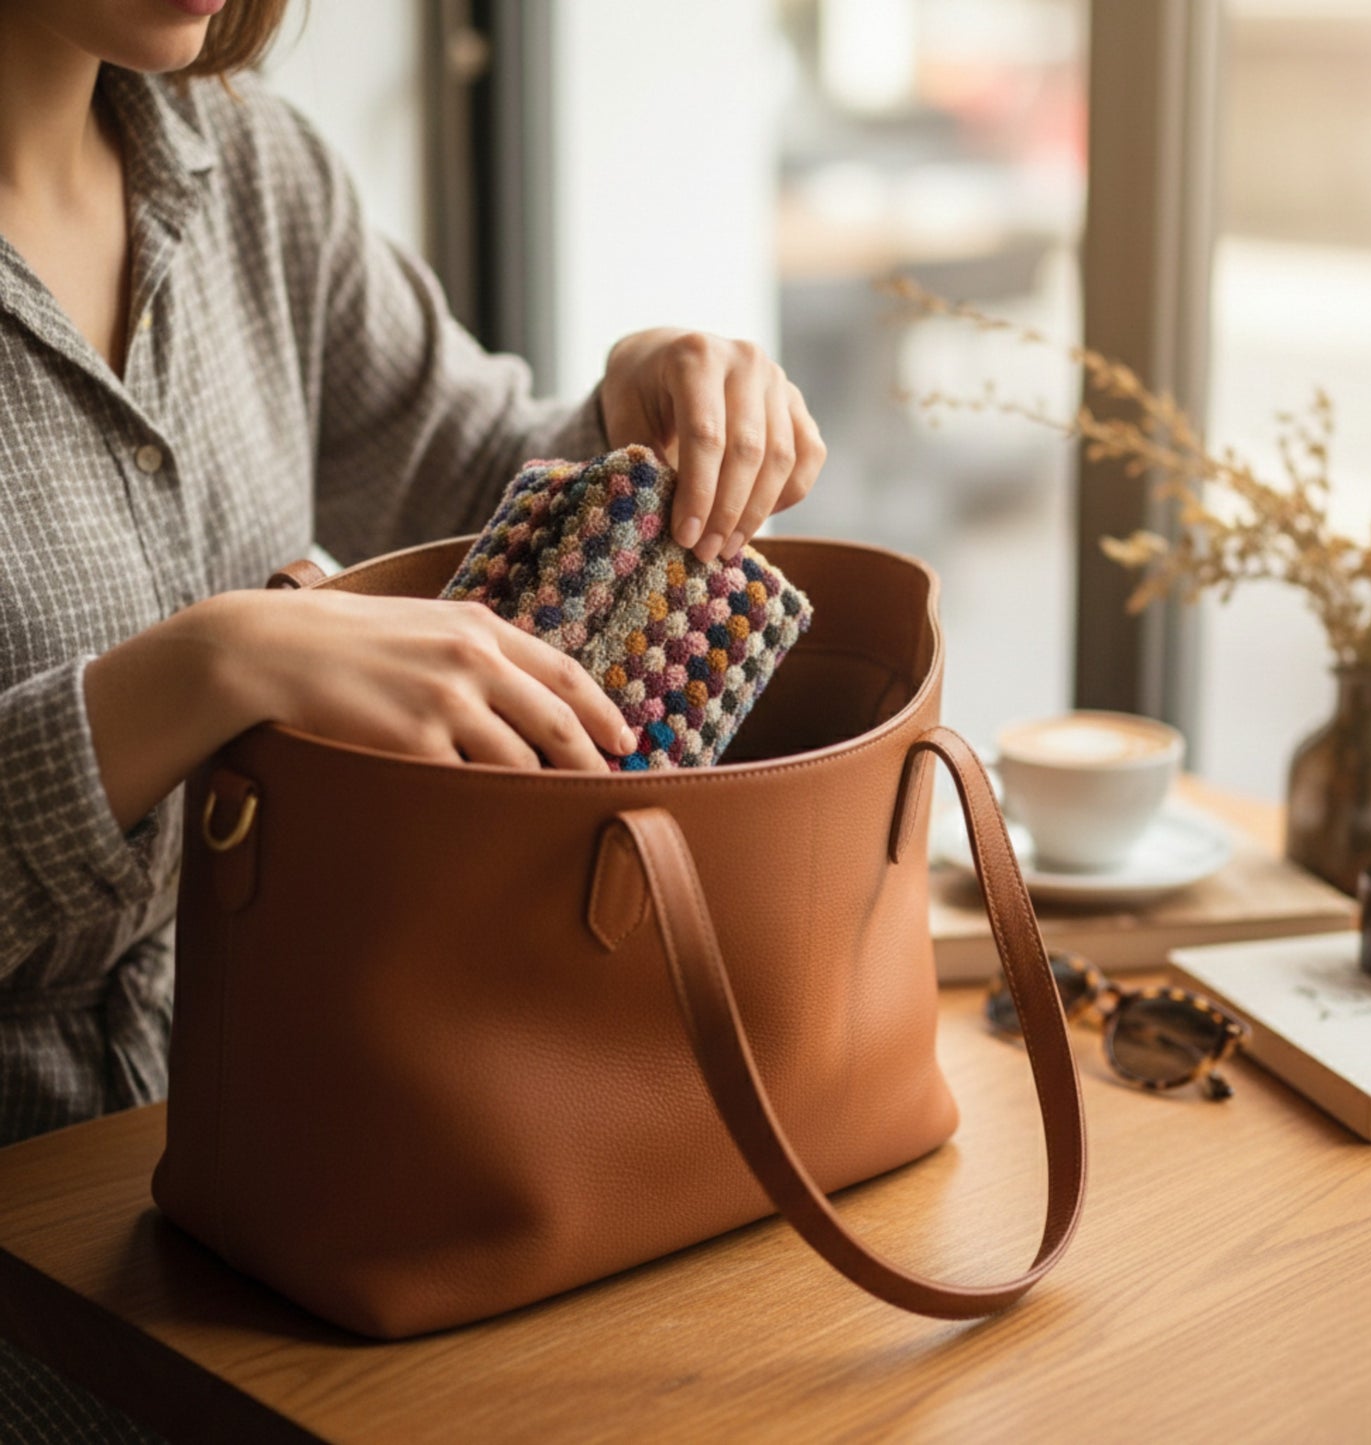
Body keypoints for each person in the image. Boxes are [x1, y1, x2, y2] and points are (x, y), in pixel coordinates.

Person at [0, 1, 824, 1435]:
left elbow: (455, 475)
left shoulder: (250, 169)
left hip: (307, 1174)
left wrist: (622, 417)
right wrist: (206, 671)